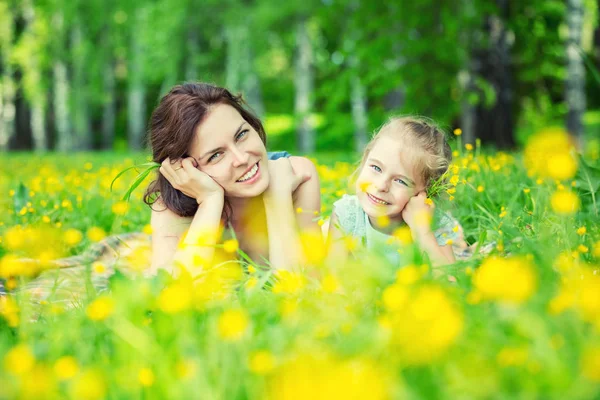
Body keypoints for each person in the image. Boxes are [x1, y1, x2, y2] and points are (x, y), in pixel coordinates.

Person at [146, 82, 321, 276]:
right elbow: (168, 292)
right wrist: (209, 201)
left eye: (242, 134)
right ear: (185, 169)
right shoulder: (171, 204)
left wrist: (277, 199)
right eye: (216, 155)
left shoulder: (296, 176)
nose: (242, 158)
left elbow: (303, 289)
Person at [327, 116, 467, 267]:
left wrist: (422, 231)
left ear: (426, 193)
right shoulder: (347, 214)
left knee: (459, 250)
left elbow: (450, 283)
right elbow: (334, 279)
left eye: (400, 181)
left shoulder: (434, 224)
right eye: (376, 168)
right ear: (364, 160)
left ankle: (459, 243)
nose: (381, 186)